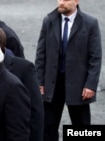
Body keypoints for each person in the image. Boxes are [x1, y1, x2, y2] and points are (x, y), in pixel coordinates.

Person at [35, 0, 102, 141]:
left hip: (79, 85)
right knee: (48, 127)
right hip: (52, 84)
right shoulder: (49, 21)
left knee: (82, 128)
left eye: (65, 0)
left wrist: (90, 84)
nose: (61, 2)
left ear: (76, 1)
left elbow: (95, 57)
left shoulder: (90, 23)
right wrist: (39, 81)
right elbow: (41, 54)